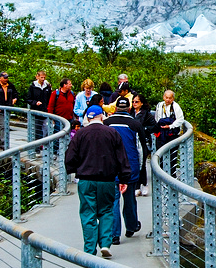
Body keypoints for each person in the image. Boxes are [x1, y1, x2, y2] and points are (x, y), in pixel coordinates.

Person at [64, 105, 130, 258]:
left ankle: (89, 248)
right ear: (102, 116)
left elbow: (70, 157)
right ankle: (105, 244)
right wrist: (124, 178)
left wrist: (75, 169)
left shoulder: (80, 134)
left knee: (88, 213)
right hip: (107, 179)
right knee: (106, 211)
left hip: (86, 179)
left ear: (87, 118)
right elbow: (122, 157)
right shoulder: (112, 133)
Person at [104, 96, 150, 243]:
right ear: (129, 109)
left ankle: (114, 235)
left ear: (116, 108)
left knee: (113, 200)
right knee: (129, 198)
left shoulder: (107, 123)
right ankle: (131, 226)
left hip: (111, 168)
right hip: (130, 167)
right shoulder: (135, 124)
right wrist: (141, 168)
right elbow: (142, 149)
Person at [131, 92, 157, 196]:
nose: (134, 103)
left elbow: (155, 126)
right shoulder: (132, 113)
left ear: (141, 103)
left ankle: (144, 184)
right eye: (133, 101)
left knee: (142, 163)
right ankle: (137, 186)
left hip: (144, 141)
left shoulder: (147, 114)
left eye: (136, 102)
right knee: (136, 163)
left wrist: (144, 130)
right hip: (134, 141)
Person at [27, 70, 52, 140]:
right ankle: (36, 147)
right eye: (41, 77)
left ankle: (44, 145)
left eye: (44, 77)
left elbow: (50, 98)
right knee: (37, 130)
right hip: (36, 112)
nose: (43, 79)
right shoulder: (32, 87)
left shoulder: (47, 87)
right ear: (37, 77)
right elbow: (28, 99)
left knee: (46, 129)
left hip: (45, 111)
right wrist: (35, 103)